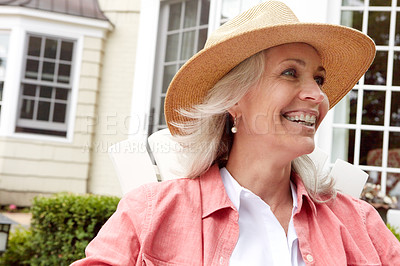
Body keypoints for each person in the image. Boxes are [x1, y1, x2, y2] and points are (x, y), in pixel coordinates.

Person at [73, 1, 400, 265]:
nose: (316, 95)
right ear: (234, 99)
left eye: (318, 79)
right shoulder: (149, 213)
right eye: (290, 72)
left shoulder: (359, 222)